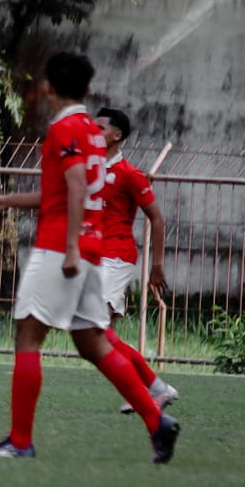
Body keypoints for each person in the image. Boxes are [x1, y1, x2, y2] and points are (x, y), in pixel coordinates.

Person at [0, 53, 179, 463]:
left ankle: (20, 441)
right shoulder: (92, 132)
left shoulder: (64, 128)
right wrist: (4, 200)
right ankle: (157, 421)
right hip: (94, 250)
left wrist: (68, 249)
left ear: (47, 87)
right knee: (93, 344)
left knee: (28, 338)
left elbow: (77, 186)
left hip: (61, 248)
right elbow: (65, 192)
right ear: (86, 90)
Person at [95, 107, 179, 413]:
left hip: (116, 258)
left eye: (100, 128)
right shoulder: (90, 169)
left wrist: (156, 266)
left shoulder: (130, 175)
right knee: (100, 336)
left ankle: (155, 389)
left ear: (117, 136)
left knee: (97, 332)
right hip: (94, 258)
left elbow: (157, 219)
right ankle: (153, 389)